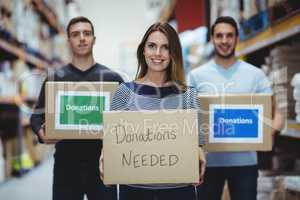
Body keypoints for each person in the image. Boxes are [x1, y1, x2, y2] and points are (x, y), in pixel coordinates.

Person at [99, 22, 206, 200]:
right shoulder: (124, 92)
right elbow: (111, 140)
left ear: (174, 53)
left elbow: (198, 142)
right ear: (143, 50)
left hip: (178, 190)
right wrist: (105, 159)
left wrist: (200, 155)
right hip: (134, 190)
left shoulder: (188, 95)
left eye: (165, 47)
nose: (158, 53)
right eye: (152, 46)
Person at [187, 16, 283, 200]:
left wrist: (266, 135)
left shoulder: (255, 74)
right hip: (208, 164)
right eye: (219, 36)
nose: (224, 41)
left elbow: (277, 113)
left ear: (237, 38)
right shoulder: (196, 76)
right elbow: (187, 115)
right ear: (212, 39)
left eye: (229, 35)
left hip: (245, 163)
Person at [30, 16, 123, 200]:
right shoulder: (56, 78)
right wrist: (42, 134)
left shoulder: (112, 79)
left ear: (94, 39)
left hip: (103, 165)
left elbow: (126, 119)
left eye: (87, 33)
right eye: (75, 34)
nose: (82, 38)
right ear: (69, 41)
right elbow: (36, 116)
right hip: (67, 165)